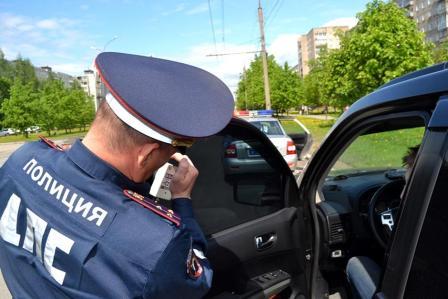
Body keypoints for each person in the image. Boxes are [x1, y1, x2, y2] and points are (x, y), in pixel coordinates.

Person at [0, 52, 234, 298]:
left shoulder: (22, 160)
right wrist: (182, 200)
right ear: (146, 155)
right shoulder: (157, 244)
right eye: (175, 149)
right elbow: (197, 280)